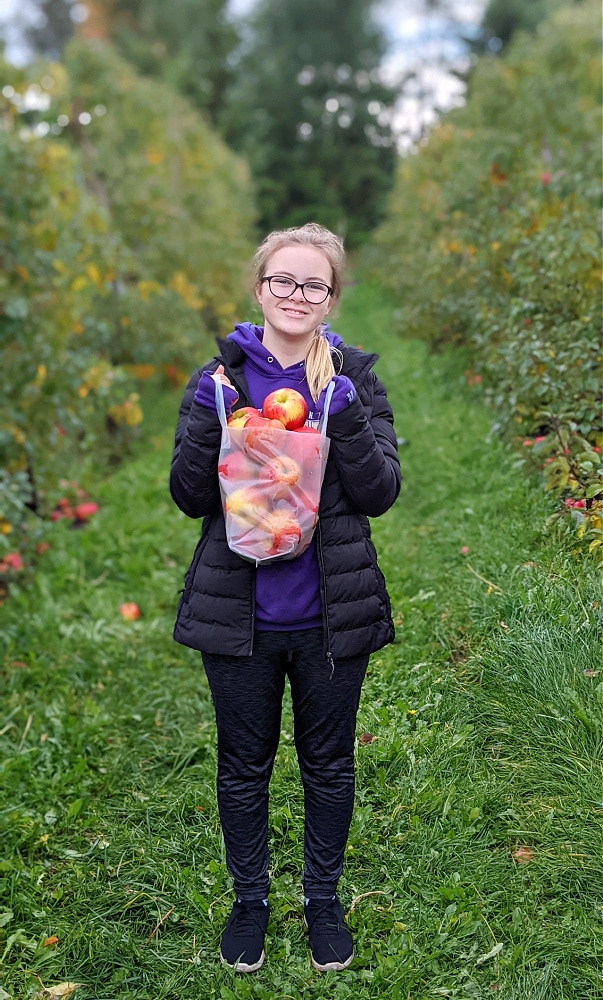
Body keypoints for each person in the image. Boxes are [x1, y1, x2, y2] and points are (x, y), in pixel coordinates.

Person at [170, 222, 401, 973]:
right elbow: (185, 496)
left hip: (331, 613)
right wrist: (215, 419)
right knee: (244, 764)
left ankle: (323, 900)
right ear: (259, 287)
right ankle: (250, 903)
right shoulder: (220, 381)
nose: (297, 295)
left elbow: (378, 493)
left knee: (328, 764)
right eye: (283, 280)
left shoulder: (354, 381)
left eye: (314, 284)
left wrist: (349, 416)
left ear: (330, 297)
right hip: (240, 615)